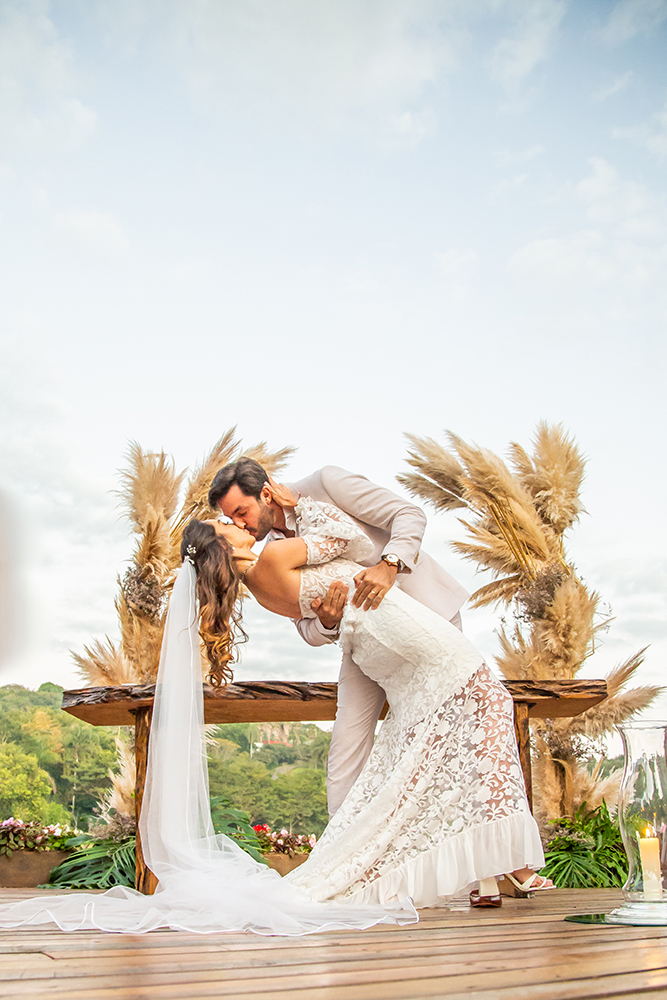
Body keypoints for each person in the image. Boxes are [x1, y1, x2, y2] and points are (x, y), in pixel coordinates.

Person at [184, 497, 550, 908]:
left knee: (434, 736)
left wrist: (327, 617)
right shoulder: (273, 554)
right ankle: (508, 860)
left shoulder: (259, 590)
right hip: (390, 621)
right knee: (488, 698)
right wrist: (300, 504)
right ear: (225, 547)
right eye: (223, 523)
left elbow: (315, 616)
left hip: (372, 640)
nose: (233, 522)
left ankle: (488, 869)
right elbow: (347, 536)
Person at [208, 459, 469, 816]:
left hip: (428, 618)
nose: (241, 524)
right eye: (232, 519)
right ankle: (342, 859)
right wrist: (327, 623)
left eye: (242, 512)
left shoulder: (325, 485)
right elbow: (305, 629)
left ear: (266, 493)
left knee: (448, 737)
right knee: (346, 748)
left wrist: (389, 565)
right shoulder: (265, 555)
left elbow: (408, 514)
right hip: (366, 642)